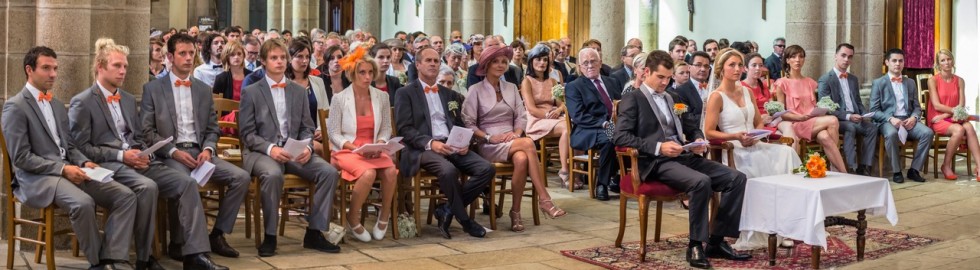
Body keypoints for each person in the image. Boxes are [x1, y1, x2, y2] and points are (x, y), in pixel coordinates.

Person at [68, 38, 226, 270]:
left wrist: (145, 153)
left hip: (139, 161)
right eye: (117, 66)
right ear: (100, 67)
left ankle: (195, 254)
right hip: (111, 164)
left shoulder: (129, 99)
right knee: (148, 188)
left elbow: (139, 137)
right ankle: (145, 258)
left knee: (186, 183)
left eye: (125, 67)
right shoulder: (82, 102)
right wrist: (124, 156)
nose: (123, 71)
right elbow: (81, 148)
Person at [3, 46, 137, 270]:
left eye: (55, 68)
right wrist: (63, 170)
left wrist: (83, 161)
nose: (53, 74)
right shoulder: (15, 106)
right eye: (46, 68)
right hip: (37, 178)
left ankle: (112, 257)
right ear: (29, 70)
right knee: (83, 203)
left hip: (71, 168)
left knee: (125, 195)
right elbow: (21, 158)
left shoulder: (56, 104)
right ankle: (97, 263)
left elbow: (69, 144)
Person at [614, 50, 751, 269]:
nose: (665, 82)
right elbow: (620, 136)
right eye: (660, 77)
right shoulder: (633, 99)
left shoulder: (673, 97)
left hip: (684, 156)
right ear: (647, 71)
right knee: (701, 182)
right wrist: (659, 147)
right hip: (656, 162)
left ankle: (716, 240)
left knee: (736, 178)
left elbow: (690, 126)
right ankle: (695, 245)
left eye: (668, 78)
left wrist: (697, 140)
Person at [141, 33, 251, 260]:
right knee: (185, 182)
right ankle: (181, 244)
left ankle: (217, 234)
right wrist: (173, 152)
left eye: (191, 53)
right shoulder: (153, 89)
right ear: (170, 56)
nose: (189, 58)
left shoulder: (202, 88)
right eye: (182, 53)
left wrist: (209, 150)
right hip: (171, 153)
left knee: (241, 177)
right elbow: (147, 132)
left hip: (200, 152)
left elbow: (213, 128)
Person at [238, 38, 341, 256]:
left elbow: (307, 127)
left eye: (283, 57)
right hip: (262, 151)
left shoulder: (297, 90)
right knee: (273, 174)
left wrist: (308, 148)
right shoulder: (252, 91)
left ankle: (314, 232)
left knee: (329, 172)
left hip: (294, 150)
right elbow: (247, 133)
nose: (279, 61)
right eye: (274, 58)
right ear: (264, 61)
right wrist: (270, 149)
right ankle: (270, 236)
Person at [394, 45, 495, 239]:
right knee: (448, 170)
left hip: (452, 145)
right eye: (428, 61)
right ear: (418, 65)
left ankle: (447, 209)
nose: (433, 64)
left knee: (486, 169)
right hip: (422, 148)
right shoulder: (405, 93)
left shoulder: (449, 94)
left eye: (436, 61)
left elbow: (458, 123)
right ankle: (465, 221)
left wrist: (464, 142)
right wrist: (431, 143)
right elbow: (404, 129)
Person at [465, 45, 567, 232]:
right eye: (496, 61)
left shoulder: (511, 87)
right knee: (528, 143)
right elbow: (469, 124)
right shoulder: (475, 90)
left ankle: (516, 212)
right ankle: (544, 199)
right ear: (486, 64)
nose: (501, 65)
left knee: (521, 159)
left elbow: (521, 116)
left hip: (513, 139)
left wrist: (517, 133)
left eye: (504, 61)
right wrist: (489, 137)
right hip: (488, 143)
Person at [327, 47, 398, 242]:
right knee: (368, 173)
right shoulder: (340, 98)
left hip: (373, 150)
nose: (367, 77)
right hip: (347, 150)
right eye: (362, 72)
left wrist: (381, 143)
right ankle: (353, 216)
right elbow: (333, 133)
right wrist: (354, 148)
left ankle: (384, 216)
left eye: (370, 72)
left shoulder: (381, 97)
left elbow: (385, 128)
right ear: (352, 74)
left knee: (391, 171)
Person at [704, 48, 801, 178]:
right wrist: (736, 136)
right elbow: (709, 132)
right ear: (721, 69)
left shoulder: (747, 91)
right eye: (732, 65)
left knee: (788, 152)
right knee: (759, 160)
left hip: (755, 143)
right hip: (734, 149)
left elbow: (759, 122)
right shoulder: (717, 97)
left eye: (739, 65)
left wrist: (756, 136)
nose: (737, 69)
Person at [773, 45, 847, 172]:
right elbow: (781, 114)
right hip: (795, 123)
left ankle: (841, 173)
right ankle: (835, 169)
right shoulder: (781, 83)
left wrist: (820, 109)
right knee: (833, 120)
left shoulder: (810, 82)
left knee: (825, 137)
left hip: (812, 122)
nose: (798, 60)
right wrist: (799, 117)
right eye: (793, 57)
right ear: (787, 60)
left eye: (801, 56)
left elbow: (812, 106)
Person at [565, 47, 623, 201]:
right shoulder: (574, 86)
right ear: (579, 67)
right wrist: (604, 123)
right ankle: (602, 184)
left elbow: (621, 105)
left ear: (600, 63)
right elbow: (578, 116)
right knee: (611, 137)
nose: (590, 65)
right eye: (585, 63)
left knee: (637, 134)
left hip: (615, 125)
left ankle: (622, 177)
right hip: (587, 129)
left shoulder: (612, 81)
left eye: (593, 61)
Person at [874, 49, 936, 183]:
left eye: (900, 61)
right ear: (887, 62)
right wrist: (891, 119)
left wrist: (914, 117)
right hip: (888, 121)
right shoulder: (878, 83)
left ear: (903, 63)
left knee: (928, 133)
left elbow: (917, 107)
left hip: (908, 120)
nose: (897, 64)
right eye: (894, 61)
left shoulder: (910, 83)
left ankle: (914, 170)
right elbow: (874, 110)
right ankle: (896, 171)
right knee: (891, 135)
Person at [817, 43, 878, 175]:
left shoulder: (853, 79)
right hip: (839, 119)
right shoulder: (825, 80)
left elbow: (858, 101)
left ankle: (865, 166)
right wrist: (849, 116)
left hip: (856, 117)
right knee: (850, 127)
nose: (846, 60)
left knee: (872, 128)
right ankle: (850, 167)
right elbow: (826, 108)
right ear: (835, 56)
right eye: (843, 55)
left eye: (850, 57)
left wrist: (864, 114)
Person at [523, 44, 578, 189]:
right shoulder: (527, 81)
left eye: (545, 60)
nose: (542, 63)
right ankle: (565, 170)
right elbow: (531, 108)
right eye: (539, 59)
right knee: (567, 128)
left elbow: (562, 104)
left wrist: (559, 110)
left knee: (576, 126)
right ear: (531, 61)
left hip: (554, 116)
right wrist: (548, 115)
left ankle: (576, 170)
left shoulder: (552, 81)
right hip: (537, 119)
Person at [926, 49, 980, 181]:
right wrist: (946, 116)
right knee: (960, 129)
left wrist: (947, 115)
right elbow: (937, 105)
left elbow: (961, 105)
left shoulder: (960, 80)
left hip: (952, 116)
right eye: (943, 60)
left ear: (953, 60)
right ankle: (946, 165)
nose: (946, 63)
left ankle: (979, 166)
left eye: (948, 59)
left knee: (969, 128)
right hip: (936, 118)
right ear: (938, 64)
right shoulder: (933, 80)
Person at [284, 40, 330, 157]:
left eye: (307, 57)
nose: (304, 61)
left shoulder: (318, 82)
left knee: (334, 149)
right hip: (294, 136)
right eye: (299, 56)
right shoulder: (283, 83)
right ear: (289, 58)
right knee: (320, 149)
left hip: (317, 134)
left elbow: (326, 112)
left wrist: (321, 129)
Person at [671, 51, 711, 142]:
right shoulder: (679, 92)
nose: (703, 69)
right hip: (696, 137)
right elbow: (686, 119)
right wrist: (713, 116)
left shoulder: (713, 88)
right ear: (689, 67)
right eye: (698, 65)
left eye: (706, 66)